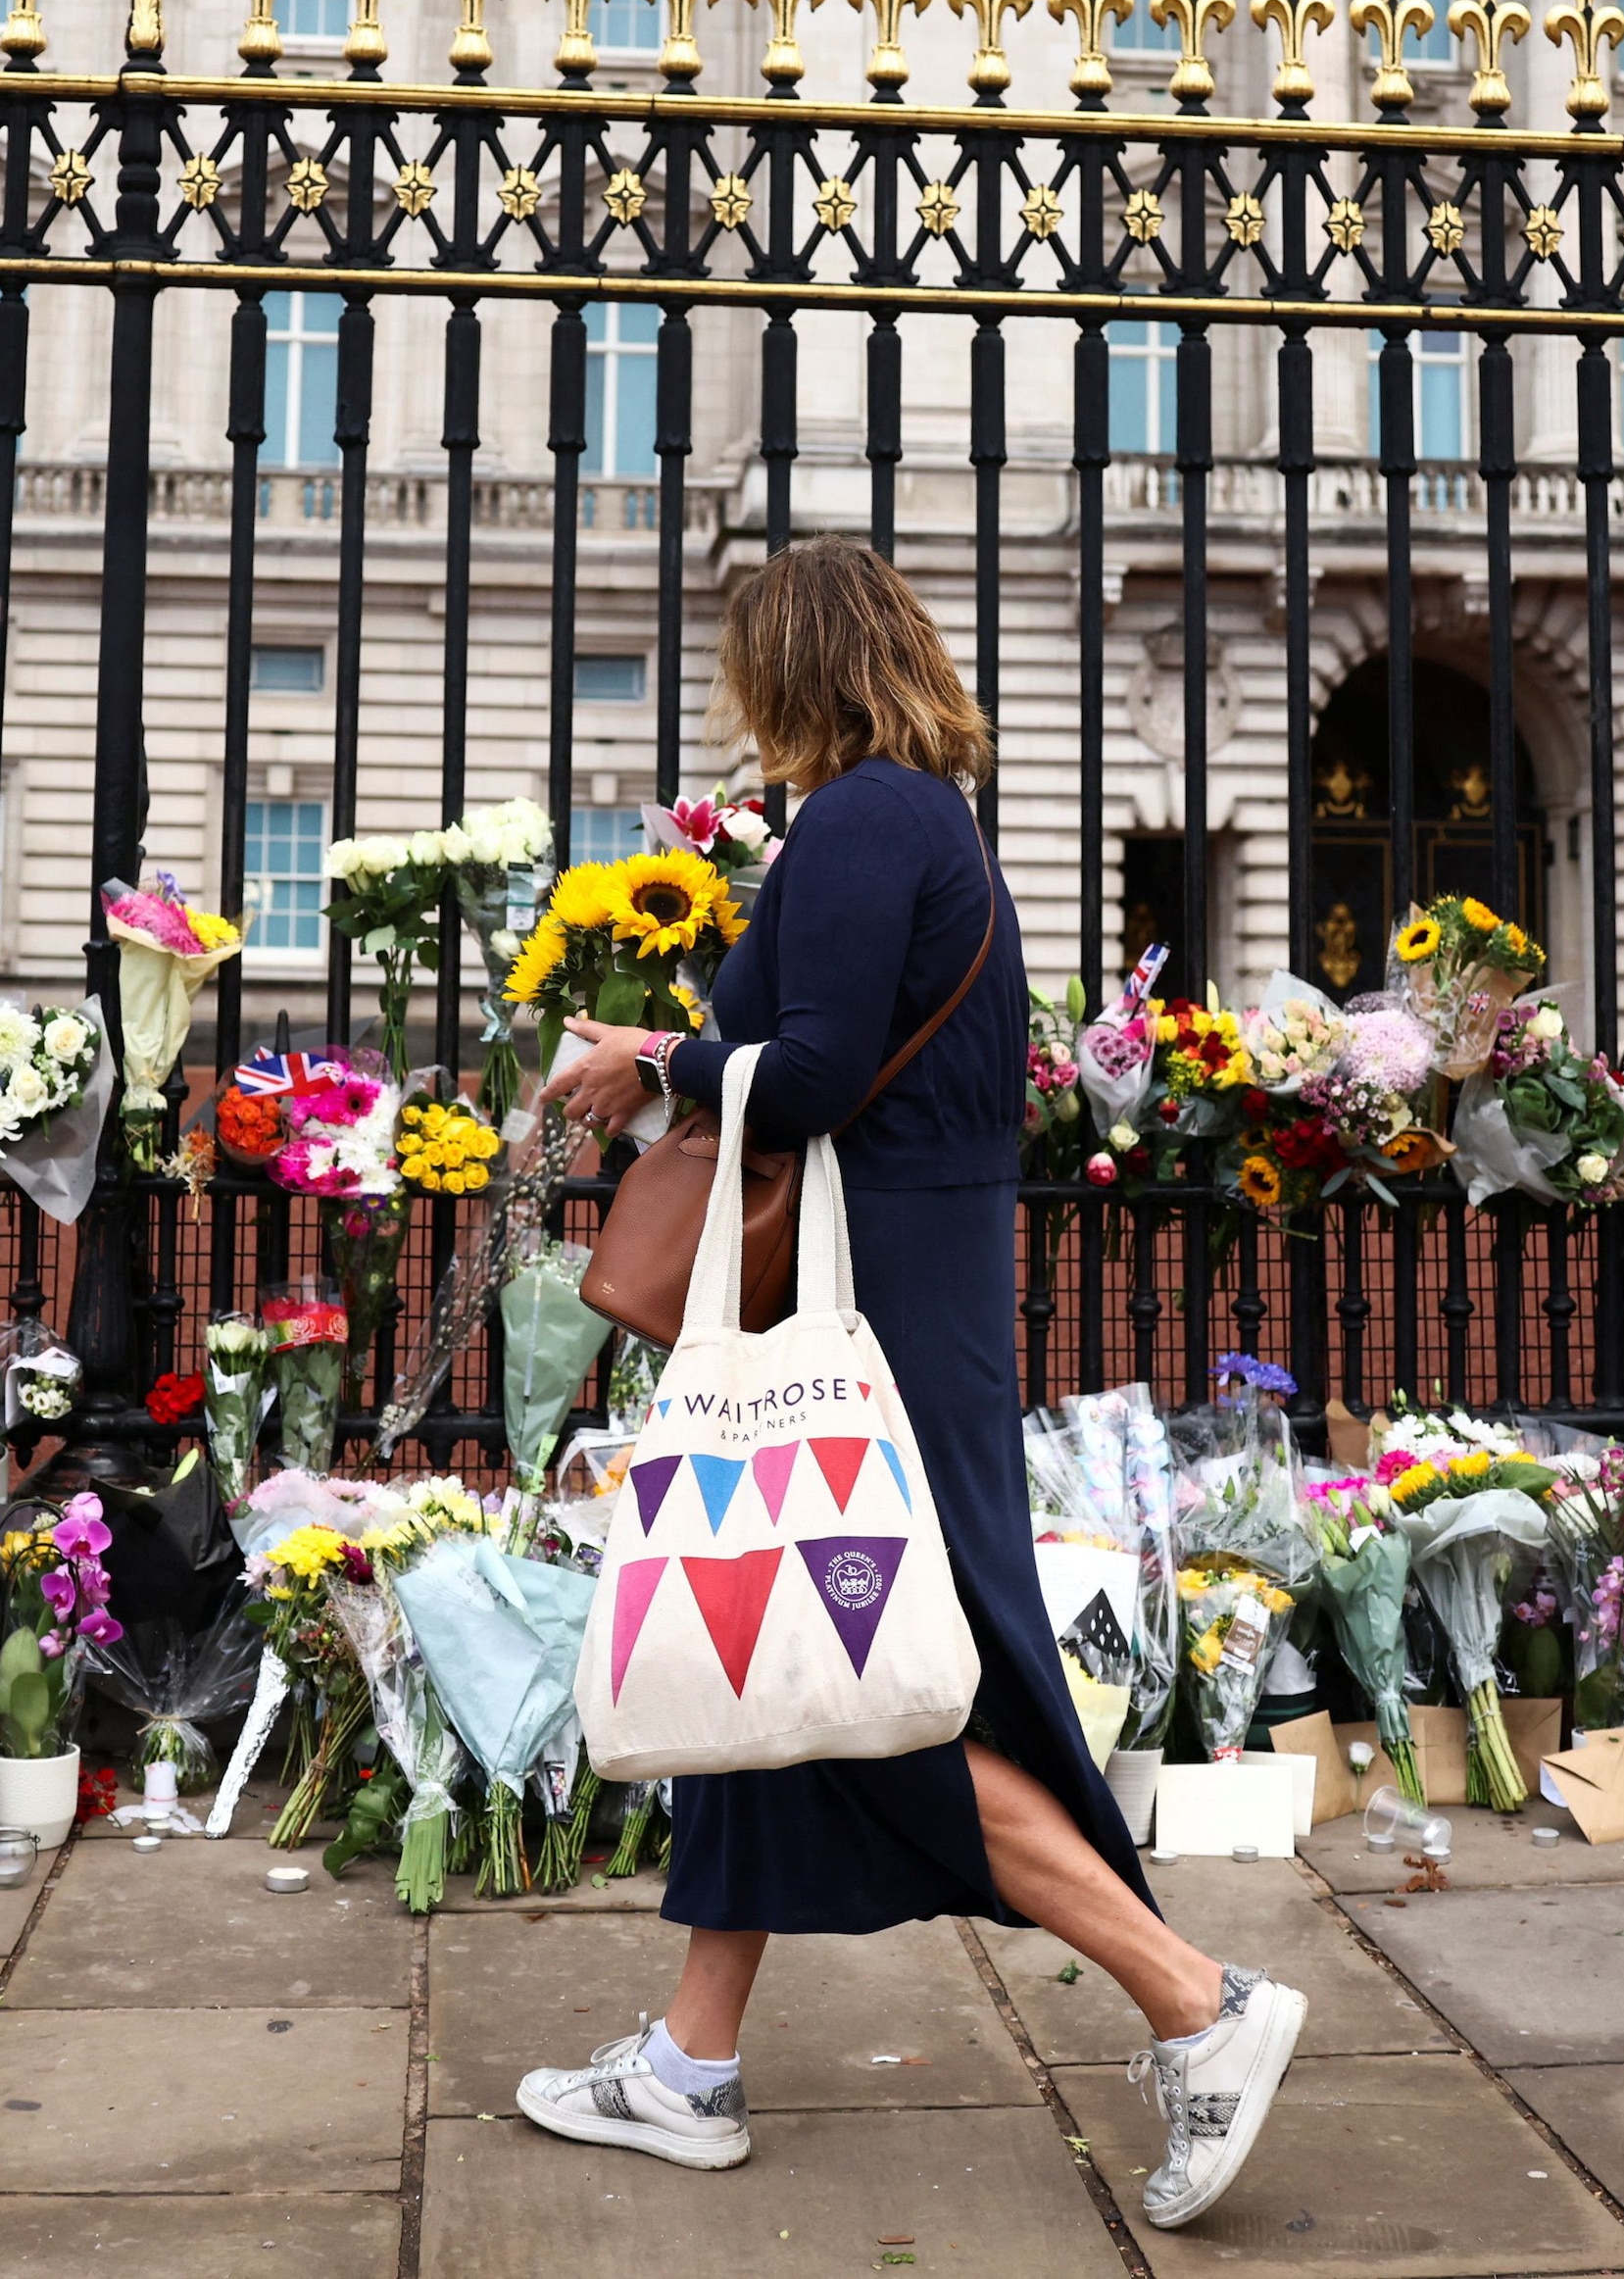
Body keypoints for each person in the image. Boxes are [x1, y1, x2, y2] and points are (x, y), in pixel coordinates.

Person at [508, 539, 1306, 2232]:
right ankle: (690, 2065)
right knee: (778, 1637)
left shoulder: (872, 816)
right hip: (896, 1292)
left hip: (880, 1315)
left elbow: (800, 1073)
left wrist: (649, 1056)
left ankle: (1197, 2001)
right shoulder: (903, 816)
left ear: (795, 661)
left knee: (877, 1683)